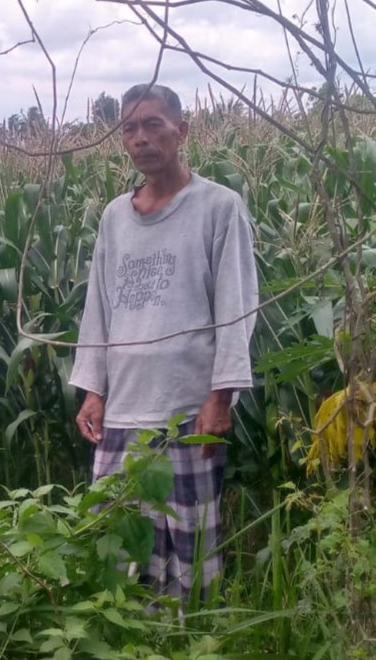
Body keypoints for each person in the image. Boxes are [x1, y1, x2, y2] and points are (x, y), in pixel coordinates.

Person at [71, 83, 258, 605]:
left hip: (187, 408)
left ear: (182, 129)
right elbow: (99, 308)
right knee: (115, 532)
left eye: (153, 124)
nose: (140, 138)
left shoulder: (219, 207)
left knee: (188, 537)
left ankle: (188, 632)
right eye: (128, 128)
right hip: (124, 406)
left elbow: (237, 306)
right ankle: (119, 625)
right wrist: (92, 389)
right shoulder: (114, 216)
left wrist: (221, 395)